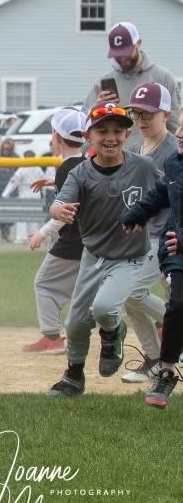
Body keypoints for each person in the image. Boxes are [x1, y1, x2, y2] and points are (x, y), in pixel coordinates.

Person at [46, 101, 160, 398]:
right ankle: (73, 375)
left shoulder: (143, 168)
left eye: (117, 130)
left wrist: (150, 216)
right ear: (88, 135)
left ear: (127, 134)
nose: (110, 136)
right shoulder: (81, 174)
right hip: (94, 256)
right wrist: (59, 211)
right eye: (102, 130)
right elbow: (58, 203)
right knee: (75, 322)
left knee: (105, 308)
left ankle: (113, 332)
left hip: (131, 257)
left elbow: (168, 192)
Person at [121, 118, 183, 408]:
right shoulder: (175, 163)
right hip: (176, 252)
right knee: (177, 304)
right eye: (180, 126)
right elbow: (160, 194)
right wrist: (136, 214)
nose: (179, 133)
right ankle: (166, 371)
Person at [119, 81, 174, 381]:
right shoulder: (136, 148)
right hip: (137, 235)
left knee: (134, 291)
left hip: (163, 234)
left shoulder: (172, 151)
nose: (140, 120)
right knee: (128, 298)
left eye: (148, 114)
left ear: (165, 114)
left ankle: (175, 331)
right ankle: (153, 358)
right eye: (136, 113)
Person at [24, 107, 88, 354]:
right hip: (89, 240)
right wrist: (54, 182)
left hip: (71, 240)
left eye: (53, 134)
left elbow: (65, 213)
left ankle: (52, 337)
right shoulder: (86, 162)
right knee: (82, 289)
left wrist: (43, 233)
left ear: (58, 138)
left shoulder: (65, 168)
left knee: (44, 284)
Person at [86, 21, 180, 147]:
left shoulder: (163, 77)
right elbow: (85, 125)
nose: (123, 58)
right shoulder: (102, 82)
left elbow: (175, 122)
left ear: (139, 43)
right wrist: (96, 107)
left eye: (126, 52)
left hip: (156, 156)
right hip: (117, 158)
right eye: (118, 54)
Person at [2, 149, 46, 242]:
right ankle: (33, 237)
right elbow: (44, 182)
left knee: (22, 217)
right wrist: (44, 195)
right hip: (35, 195)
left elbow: (13, 182)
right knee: (33, 218)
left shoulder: (21, 169)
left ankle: (21, 238)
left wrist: (5, 194)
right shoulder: (38, 169)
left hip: (24, 195)